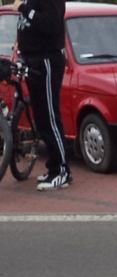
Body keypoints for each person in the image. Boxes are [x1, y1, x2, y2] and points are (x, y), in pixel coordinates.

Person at [11, 0, 70, 190]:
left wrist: (24, 8)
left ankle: (61, 170)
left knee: (49, 114)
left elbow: (50, 25)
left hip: (47, 60)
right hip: (32, 58)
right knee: (41, 115)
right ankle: (53, 166)